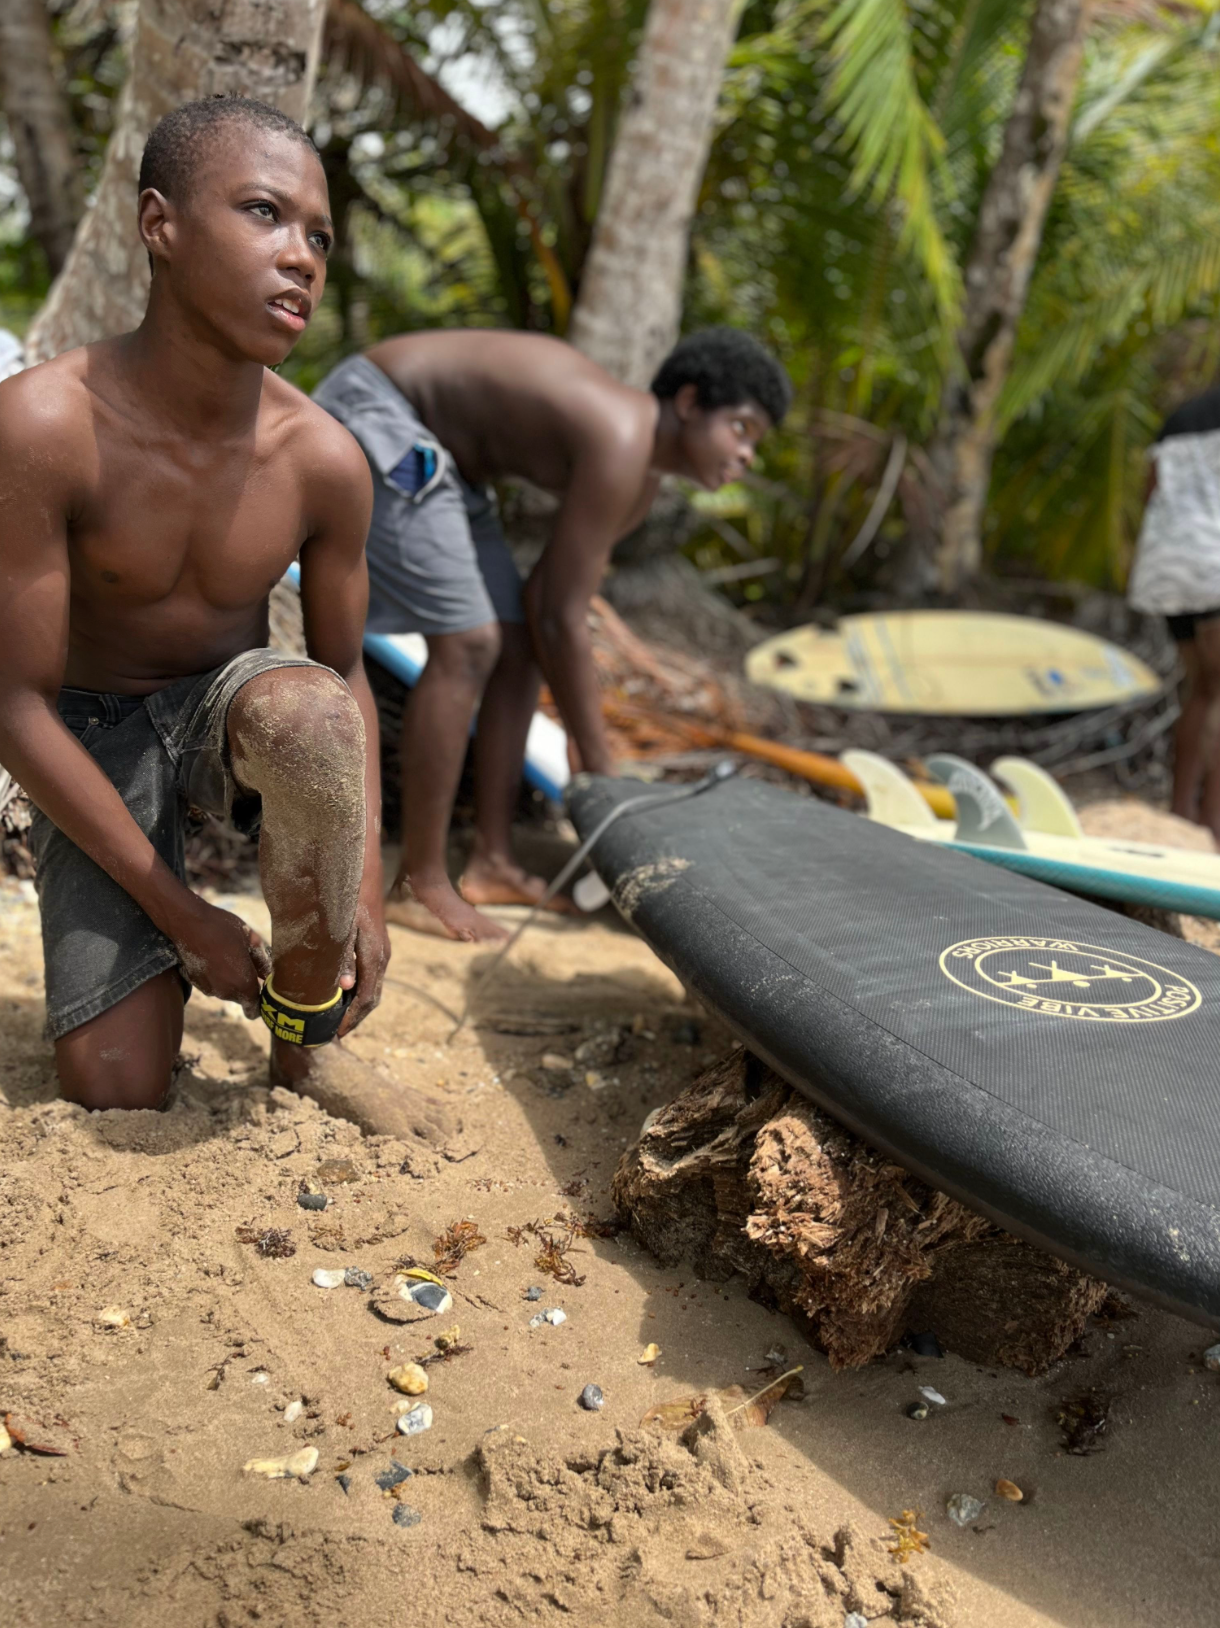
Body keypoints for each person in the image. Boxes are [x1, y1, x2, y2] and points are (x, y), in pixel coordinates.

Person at [0, 96, 448, 1145]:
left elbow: (344, 684)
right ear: (160, 225)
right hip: (85, 732)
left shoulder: (324, 461)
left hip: (225, 715)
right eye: (263, 213)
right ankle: (151, 968)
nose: (301, 258)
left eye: (320, 236)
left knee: (308, 715)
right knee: (114, 1085)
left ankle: (307, 1044)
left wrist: (363, 899)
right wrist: (185, 916)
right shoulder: (42, 424)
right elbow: (14, 706)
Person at [313, 327, 791, 941]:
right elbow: (561, 617)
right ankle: (421, 883)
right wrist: (598, 764)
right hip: (380, 411)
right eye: (742, 429)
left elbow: (546, 606)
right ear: (691, 403)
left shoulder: (639, 475)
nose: (748, 454)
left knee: (515, 647)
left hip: (448, 464)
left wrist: (591, 757)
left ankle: (492, 861)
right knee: (470, 643)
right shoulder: (622, 435)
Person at [1129, 384, 1220, 841]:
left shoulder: (1183, 415)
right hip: (1214, 565)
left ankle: (1181, 812)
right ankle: (1212, 824)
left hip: (1169, 569)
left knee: (1200, 691)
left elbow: (1151, 489)